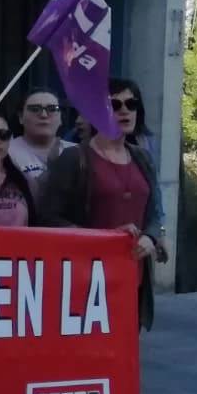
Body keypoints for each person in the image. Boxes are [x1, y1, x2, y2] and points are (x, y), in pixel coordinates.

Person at [39, 79, 163, 331]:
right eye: (115, 105)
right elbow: (48, 218)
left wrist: (151, 236)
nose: (124, 110)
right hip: (86, 282)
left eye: (131, 103)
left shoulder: (142, 157)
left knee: (124, 365)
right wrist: (103, 238)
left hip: (132, 281)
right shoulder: (75, 158)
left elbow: (154, 211)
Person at [8, 89, 69, 201]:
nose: (44, 115)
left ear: (61, 118)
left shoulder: (77, 151)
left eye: (52, 109)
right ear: (21, 117)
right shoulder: (6, 153)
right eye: (35, 109)